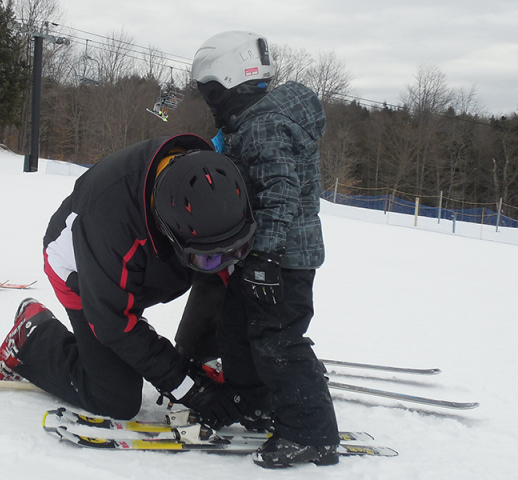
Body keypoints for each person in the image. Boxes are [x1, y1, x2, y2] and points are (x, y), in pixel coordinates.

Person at [0, 134, 255, 429]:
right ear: (167, 230)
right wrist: (189, 388)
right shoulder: (109, 222)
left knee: (221, 269)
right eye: (208, 260)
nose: (222, 264)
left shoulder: (214, 184)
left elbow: (234, 279)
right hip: (82, 275)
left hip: (149, 265)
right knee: (115, 398)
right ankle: (33, 337)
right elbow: (115, 324)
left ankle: (201, 356)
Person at [182, 31, 341, 468]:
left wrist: (267, 258)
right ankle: (254, 401)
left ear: (231, 81)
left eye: (211, 92)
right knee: (235, 329)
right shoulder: (252, 122)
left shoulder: (264, 124)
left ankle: (312, 433)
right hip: (264, 255)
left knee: (278, 342)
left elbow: (281, 190)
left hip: (285, 259)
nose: (211, 103)